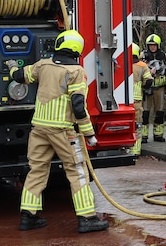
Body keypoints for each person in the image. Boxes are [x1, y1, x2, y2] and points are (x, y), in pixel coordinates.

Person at [10, 29, 109, 234]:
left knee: (36, 170)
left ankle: (29, 216)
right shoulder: (76, 72)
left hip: (39, 128)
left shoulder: (43, 65)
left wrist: (11, 68)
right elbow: (78, 105)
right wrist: (89, 133)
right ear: (77, 50)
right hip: (63, 131)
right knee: (77, 171)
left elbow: (20, 76)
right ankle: (87, 218)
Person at [142, 34, 166, 143]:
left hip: (160, 88)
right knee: (145, 113)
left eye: (154, 45)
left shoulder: (164, 56)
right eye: (150, 45)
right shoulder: (143, 56)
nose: (152, 47)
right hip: (147, 88)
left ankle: (158, 135)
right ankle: (144, 136)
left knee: (160, 112)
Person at [130, 43, 154, 156]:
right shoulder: (142, 65)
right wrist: (144, 88)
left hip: (122, 102)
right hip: (137, 101)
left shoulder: (122, 63)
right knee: (137, 126)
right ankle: (135, 151)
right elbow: (149, 81)